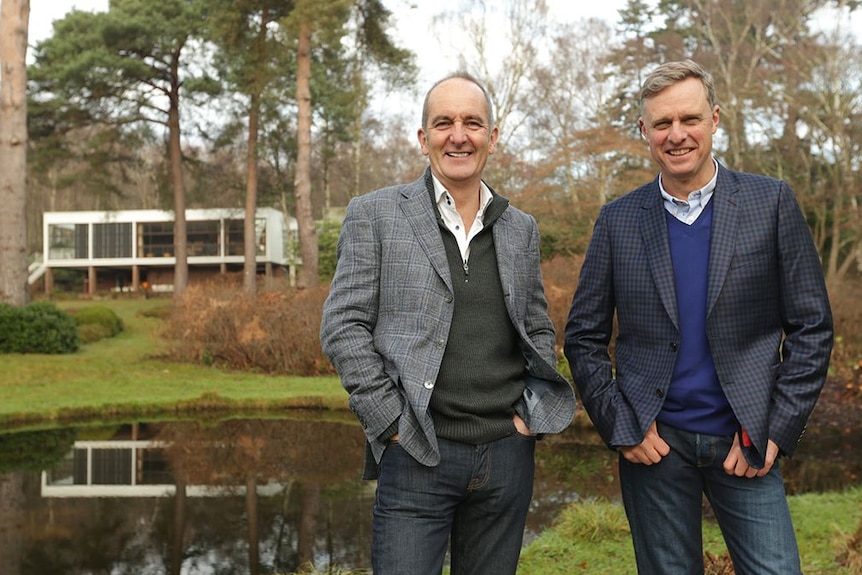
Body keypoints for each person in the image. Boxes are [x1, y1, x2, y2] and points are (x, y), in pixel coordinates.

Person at [564, 59, 833, 575]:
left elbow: (812, 327)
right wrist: (622, 426)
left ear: (714, 118)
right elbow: (582, 337)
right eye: (661, 123)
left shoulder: (770, 202)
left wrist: (775, 429)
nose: (676, 134)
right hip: (655, 448)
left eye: (688, 119)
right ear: (644, 131)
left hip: (747, 441)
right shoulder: (618, 219)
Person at [320, 72, 576, 575]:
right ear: (423, 138)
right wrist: (390, 421)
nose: (458, 135)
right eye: (444, 123)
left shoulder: (519, 227)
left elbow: (537, 327)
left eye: (472, 123)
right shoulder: (375, 216)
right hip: (418, 453)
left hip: (506, 456)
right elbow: (342, 326)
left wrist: (528, 420)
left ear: (492, 138)